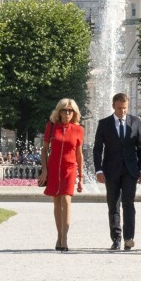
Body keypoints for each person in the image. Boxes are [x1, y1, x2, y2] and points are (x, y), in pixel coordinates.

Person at [93, 92, 141, 251]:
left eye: (125, 108)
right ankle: (116, 239)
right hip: (110, 170)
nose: (122, 111)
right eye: (119, 108)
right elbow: (97, 149)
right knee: (113, 205)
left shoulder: (135, 122)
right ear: (113, 106)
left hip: (130, 170)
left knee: (129, 204)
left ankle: (129, 238)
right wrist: (98, 170)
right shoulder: (104, 124)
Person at [38, 98, 84, 252]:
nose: (67, 113)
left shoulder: (78, 129)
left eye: (70, 110)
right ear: (59, 111)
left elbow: (79, 155)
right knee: (57, 202)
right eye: (64, 110)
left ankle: (64, 238)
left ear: (74, 112)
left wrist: (81, 177)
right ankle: (59, 236)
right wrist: (44, 170)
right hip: (53, 168)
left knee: (66, 199)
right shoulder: (51, 127)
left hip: (69, 168)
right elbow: (44, 150)